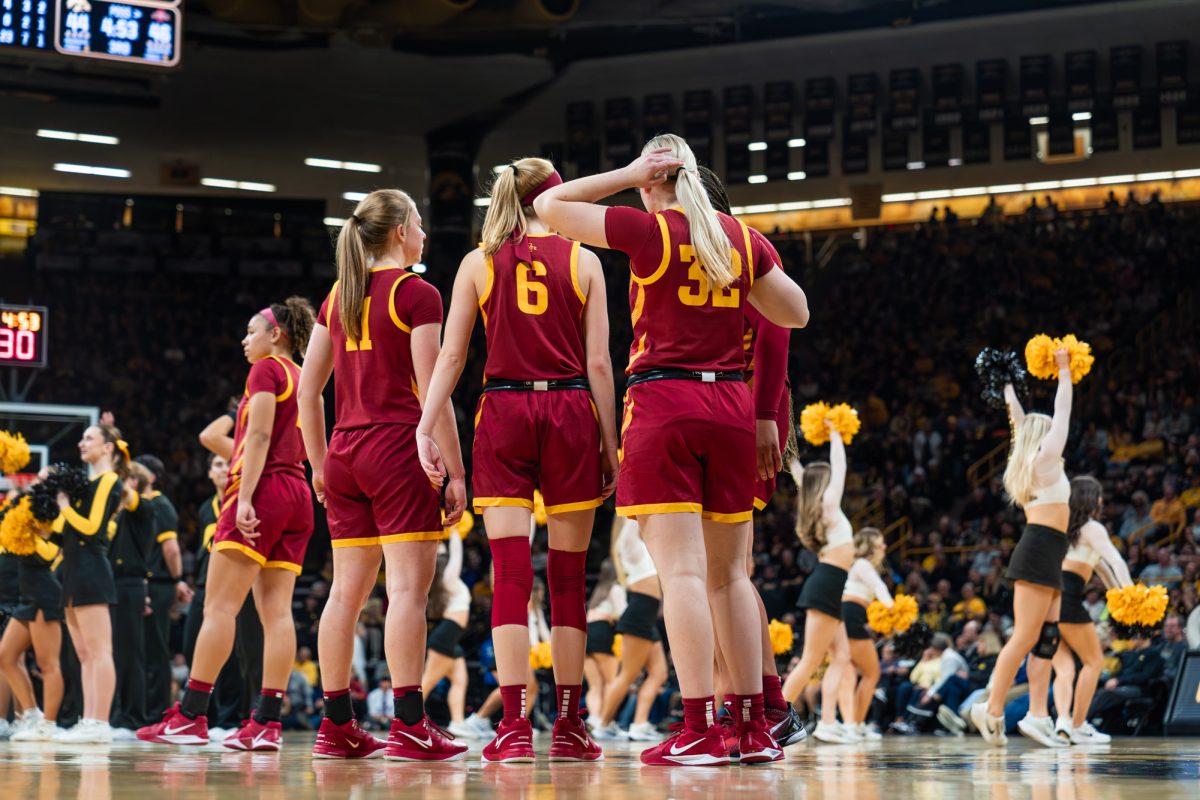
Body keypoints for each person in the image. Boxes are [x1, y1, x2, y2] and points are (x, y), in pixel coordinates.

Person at [535, 133, 810, 766]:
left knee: (682, 575)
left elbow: (551, 207)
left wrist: (626, 170)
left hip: (665, 405)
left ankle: (701, 727)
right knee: (732, 576)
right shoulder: (741, 240)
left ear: (654, 178)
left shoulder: (652, 233)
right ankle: (750, 727)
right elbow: (793, 313)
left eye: (642, 177)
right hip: (732, 410)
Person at [415, 157, 616, 763]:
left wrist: (426, 425)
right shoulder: (585, 260)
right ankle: (573, 722)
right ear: (557, 198)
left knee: (508, 575)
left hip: (502, 410)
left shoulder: (478, 262)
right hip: (570, 411)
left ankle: (514, 725)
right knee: (568, 577)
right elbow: (602, 364)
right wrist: (610, 444)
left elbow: (450, 359)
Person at [298, 189, 467, 762]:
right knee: (406, 593)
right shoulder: (417, 292)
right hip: (397, 446)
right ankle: (410, 722)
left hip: (345, 448)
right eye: (418, 222)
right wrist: (458, 472)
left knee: (344, 594)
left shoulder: (337, 297)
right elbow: (435, 390)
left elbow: (307, 391)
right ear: (399, 232)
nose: (423, 231)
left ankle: (337, 723)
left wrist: (320, 464)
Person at [137, 297, 316, 752]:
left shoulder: (267, 370)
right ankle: (267, 723)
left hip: (266, 486)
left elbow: (256, 437)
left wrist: (246, 496)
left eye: (251, 331)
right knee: (278, 613)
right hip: (298, 491)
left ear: (275, 335)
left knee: (218, 607)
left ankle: (191, 715)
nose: (244, 340)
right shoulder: (305, 375)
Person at [696, 164, 806, 748]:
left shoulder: (740, 245)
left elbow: (776, 333)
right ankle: (765, 698)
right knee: (728, 569)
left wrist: (765, 416)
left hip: (746, 404)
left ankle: (745, 702)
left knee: (725, 569)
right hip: (725, 403)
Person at [971, 349, 1073, 747]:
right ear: (1042, 436)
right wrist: (1064, 371)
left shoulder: (1030, 457)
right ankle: (991, 708)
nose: (1055, 434)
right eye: (1047, 430)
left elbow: (1017, 420)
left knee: (1047, 638)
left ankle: (1036, 715)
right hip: (1038, 550)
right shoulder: (1045, 459)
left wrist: (1008, 385)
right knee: (1024, 637)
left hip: (1049, 550)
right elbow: (1063, 412)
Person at [780, 427, 857, 745]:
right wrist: (837, 431)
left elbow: (799, 474)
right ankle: (776, 719)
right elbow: (839, 466)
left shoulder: (817, 507)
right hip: (826, 586)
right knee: (811, 659)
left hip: (830, 587)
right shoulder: (828, 508)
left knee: (842, 655)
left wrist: (789, 451)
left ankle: (827, 722)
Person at [54, 424, 128, 743]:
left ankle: (100, 723)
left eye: (89, 438)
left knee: (100, 652)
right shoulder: (85, 483)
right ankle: (88, 721)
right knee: (84, 654)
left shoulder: (110, 480)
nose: (81, 443)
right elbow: (63, 531)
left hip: (91, 567)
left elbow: (92, 527)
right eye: (81, 438)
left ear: (108, 447)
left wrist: (65, 508)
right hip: (71, 567)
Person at [1051, 476, 1132, 744]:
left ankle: (1063, 721)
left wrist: (1119, 598)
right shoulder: (1092, 528)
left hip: (1046, 604)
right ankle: (1079, 725)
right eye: (1098, 496)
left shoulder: (1062, 529)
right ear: (1090, 499)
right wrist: (1134, 593)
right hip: (1068, 599)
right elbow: (1116, 560)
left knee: (1064, 669)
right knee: (1094, 661)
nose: (1101, 501)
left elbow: (1105, 573)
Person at [590, 518, 667, 743]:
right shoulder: (630, 545)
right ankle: (603, 725)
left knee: (659, 673)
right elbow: (630, 526)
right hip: (639, 614)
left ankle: (640, 724)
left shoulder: (642, 547)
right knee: (628, 675)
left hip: (647, 615)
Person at [134, 454, 192, 721]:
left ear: (151, 477)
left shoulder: (161, 505)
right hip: (144, 583)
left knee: (156, 650)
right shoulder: (139, 506)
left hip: (158, 584)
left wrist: (177, 579)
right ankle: (142, 709)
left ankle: (158, 713)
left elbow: (171, 549)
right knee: (142, 649)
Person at [0, 498, 63, 741]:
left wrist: (27, 531)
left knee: (48, 664)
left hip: (43, 594)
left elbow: (49, 554)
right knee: (6, 656)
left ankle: (48, 724)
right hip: (27, 597)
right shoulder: (24, 518)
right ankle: (31, 715)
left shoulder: (51, 520)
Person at [107, 462, 156, 732]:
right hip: (113, 584)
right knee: (113, 653)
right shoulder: (116, 515)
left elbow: (125, 494)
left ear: (133, 483)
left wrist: (114, 463)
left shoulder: (145, 508)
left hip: (130, 585)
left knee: (130, 654)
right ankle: (115, 714)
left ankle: (133, 716)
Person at [836, 527, 893, 741]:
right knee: (871, 673)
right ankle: (854, 725)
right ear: (872, 546)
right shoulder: (862, 564)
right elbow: (879, 588)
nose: (884, 547)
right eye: (881, 543)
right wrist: (893, 610)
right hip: (852, 614)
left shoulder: (855, 564)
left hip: (848, 614)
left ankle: (853, 724)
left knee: (849, 672)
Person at [420, 531, 471, 738]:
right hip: (445, 637)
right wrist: (456, 530)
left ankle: (457, 723)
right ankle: (406, 718)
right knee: (427, 682)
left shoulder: (443, 583)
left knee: (460, 680)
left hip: (451, 638)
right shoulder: (450, 579)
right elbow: (457, 553)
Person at [583, 558, 624, 728]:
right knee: (612, 681)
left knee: (595, 685)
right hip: (602, 631)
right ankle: (606, 722)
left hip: (586, 634)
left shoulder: (598, 592)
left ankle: (594, 718)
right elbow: (622, 613)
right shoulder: (615, 588)